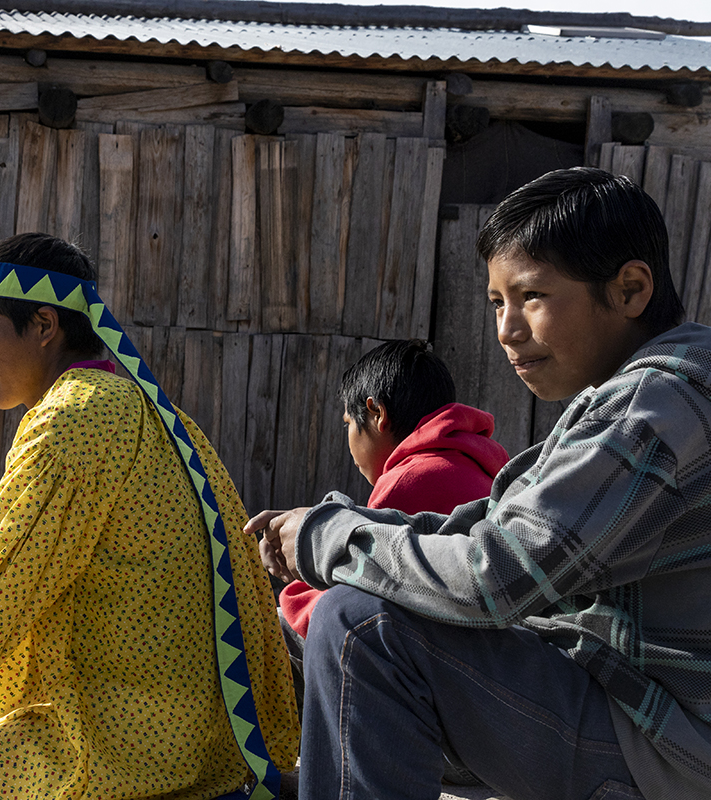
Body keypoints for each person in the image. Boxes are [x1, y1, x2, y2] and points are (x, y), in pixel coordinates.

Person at [249, 167, 711, 800]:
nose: (507, 329)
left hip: (664, 750)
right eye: (498, 303)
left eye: (532, 297)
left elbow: (499, 574)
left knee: (361, 625)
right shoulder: (647, 392)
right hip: (637, 722)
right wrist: (328, 528)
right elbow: (491, 529)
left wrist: (329, 540)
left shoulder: (654, 408)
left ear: (629, 289)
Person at [0, 233, 298, 800]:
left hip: (124, 739)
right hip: (169, 717)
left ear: (45, 326)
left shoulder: (76, 421)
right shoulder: (134, 404)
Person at [262, 339, 509, 658]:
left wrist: (291, 592)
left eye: (349, 425)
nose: (349, 445)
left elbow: (357, 586)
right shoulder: (473, 464)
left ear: (377, 413)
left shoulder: (412, 479)